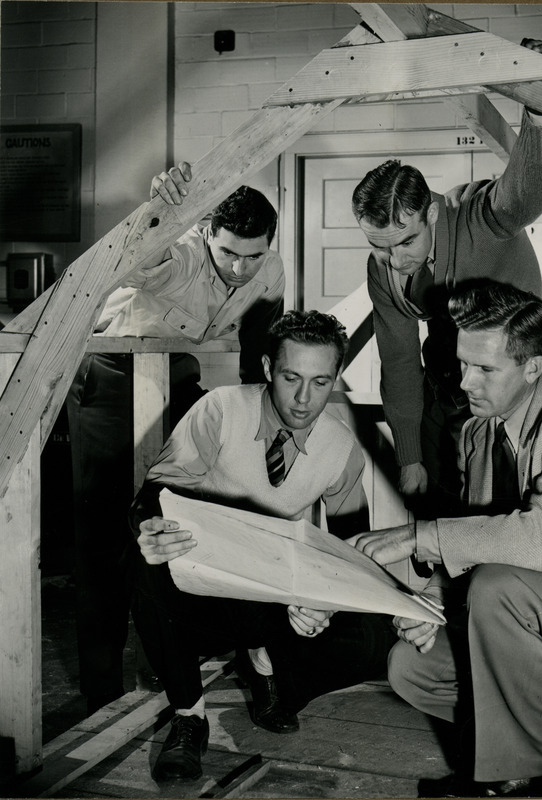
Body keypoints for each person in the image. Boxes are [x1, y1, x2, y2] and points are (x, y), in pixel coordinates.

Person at [349, 281, 542, 797]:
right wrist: (427, 607)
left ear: (533, 367)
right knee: (411, 668)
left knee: (499, 588)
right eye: (464, 364)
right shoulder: (475, 435)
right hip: (529, 619)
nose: (465, 382)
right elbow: (481, 551)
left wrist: (418, 535)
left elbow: (541, 543)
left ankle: (521, 780)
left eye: (485, 369)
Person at [129, 309, 395, 782]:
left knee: (375, 640)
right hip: (204, 584)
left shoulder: (341, 447)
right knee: (150, 564)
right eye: (292, 377)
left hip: (271, 593)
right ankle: (189, 716)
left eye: (320, 381)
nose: (303, 398)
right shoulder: (220, 409)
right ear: (270, 368)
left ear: (336, 377)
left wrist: (322, 604)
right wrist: (150, 529)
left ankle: (263, 661)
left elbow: (349, 552)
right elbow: (155, 495)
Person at [66, 164, 285, 715]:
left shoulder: (269, 269)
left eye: (252, 254)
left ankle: (170, 658)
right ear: (208, 233)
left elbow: (260, 357)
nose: (240, 267)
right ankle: (101, 690)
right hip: (111, 374)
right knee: (104, 539)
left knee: (187, 522)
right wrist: (159, 212)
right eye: (228, 252)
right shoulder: (182, 254)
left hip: (177, 373)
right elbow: (145, 261)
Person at [351, 39, 542, 522]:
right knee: (438, 509)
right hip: (447, 390)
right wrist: (408, 454)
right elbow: (400, 358)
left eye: (405, 242)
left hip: (513, 386)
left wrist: (541, 116)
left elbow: (525, 192)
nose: (393, 258)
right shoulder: (383, 271)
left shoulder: (479, 217)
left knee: (509, 514)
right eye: (378, 245)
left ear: (430, 212)